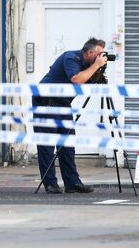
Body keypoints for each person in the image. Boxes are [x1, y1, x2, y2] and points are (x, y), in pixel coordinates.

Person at [33, 37, 108, 194]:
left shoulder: (88, 65)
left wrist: (98, 73)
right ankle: (50, 183)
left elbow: (86, 85)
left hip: (62, 104)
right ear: (89, 52)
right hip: (46, 101)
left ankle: (72, 183)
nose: (102, 57)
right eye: (99, 54)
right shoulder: (71, 58)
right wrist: (96, 66)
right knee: (47, 145)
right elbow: (76, 80)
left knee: (67, 144)